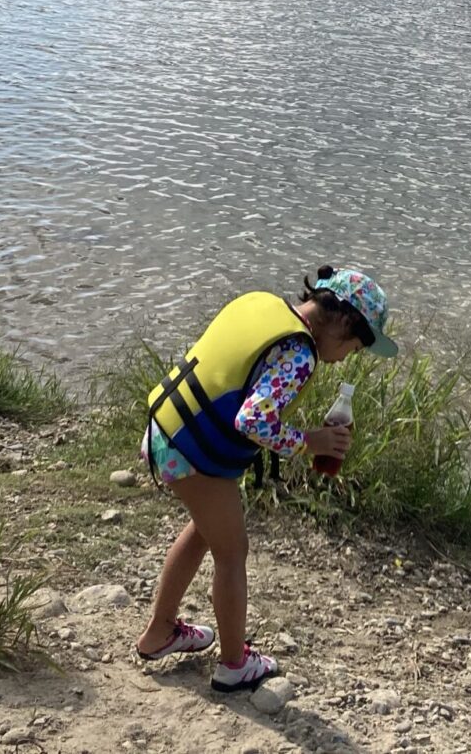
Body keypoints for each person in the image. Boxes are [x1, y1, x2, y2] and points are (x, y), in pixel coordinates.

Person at [136, 266, 398, 692]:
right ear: (345, 322)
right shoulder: (300, 353)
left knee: (204, 531)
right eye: (355, 346)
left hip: (166, 428)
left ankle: (160, 631)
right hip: (191, 451)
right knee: (232, 552)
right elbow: (253, 421)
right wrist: (309, 441)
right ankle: (234, 664)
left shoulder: (262, 304)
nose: (347, 357)